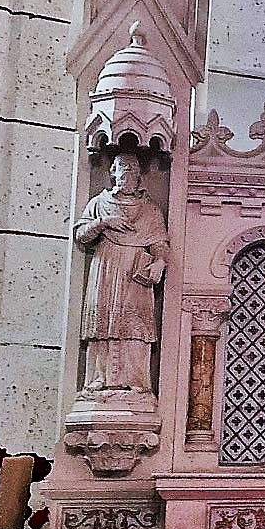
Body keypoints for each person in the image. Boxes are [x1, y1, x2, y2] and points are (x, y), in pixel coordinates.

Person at [73, 152, 168, 394]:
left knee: (135, 325)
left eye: (132, 168)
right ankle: (98, 379)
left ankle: (136, 380)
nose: (127, 172)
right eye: (122, 167)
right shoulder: (99, 203)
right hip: (106, 265)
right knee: (103, 321)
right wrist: (103, 223)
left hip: (136, 270)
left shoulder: (150, 209)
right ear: (113, 173)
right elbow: (81, 235)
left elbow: (159, 243)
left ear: (139, 176)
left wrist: (159, 262)